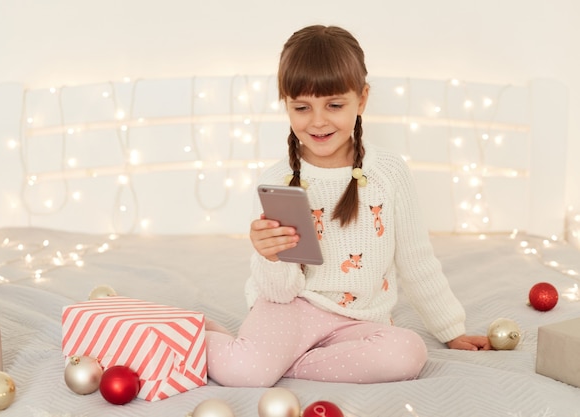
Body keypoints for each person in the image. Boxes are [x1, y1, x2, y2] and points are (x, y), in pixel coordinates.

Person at [205, 24, 490, 388]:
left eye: (335, 105)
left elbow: (417, 260)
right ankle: (202, 336)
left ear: (362, 99)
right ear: (286, 105)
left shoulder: (388, 173)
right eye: (302, 107)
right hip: (290, 310)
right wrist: (269, 256)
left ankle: (283, 362)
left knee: (406, 353)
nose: (318, 121)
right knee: (243, 373)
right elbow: (278, 293)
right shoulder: (278, 181)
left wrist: (451, 329)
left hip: (359, 320)